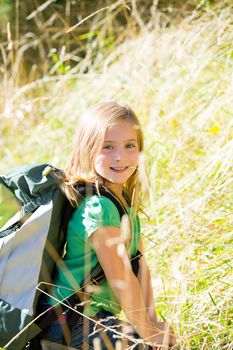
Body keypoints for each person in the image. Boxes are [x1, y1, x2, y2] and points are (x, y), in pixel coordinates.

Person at [39, 102, 176, 349]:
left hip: (92, 317)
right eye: (107, 147)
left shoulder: (124, 202)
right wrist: (146, 332)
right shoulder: (98, 208)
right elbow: (120, 276)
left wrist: (152, 321)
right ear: (87, 151)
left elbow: (139, 266)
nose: (120, 156)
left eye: (129, 145)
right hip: (67, 320)